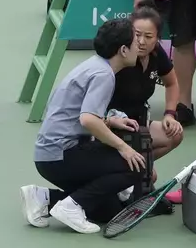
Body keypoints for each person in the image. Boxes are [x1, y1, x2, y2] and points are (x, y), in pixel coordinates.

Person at [21, 19, 146, 234]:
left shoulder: (94, 65)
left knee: (107, 211)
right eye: (136, 41)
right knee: (135, 167)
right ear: (123, 50)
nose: (140, 45)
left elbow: (81, 115)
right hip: (60, 156)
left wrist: (109, 120)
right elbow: (88, 120)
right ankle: (71, 206)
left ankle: (43, 198)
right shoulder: (104, 75)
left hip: (48, 155)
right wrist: (123, 147)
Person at [107, 0, 184, 161]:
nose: (142, 42)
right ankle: (130, 167)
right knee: (150, 176)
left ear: (157, 38)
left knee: (175, 135)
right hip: (112, 128)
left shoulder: (156, 53)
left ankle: (138, 164)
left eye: (148, 36)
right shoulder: (119, 58)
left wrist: (169, 114)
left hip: (138, 125)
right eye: (137, 35)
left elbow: (172, 83)